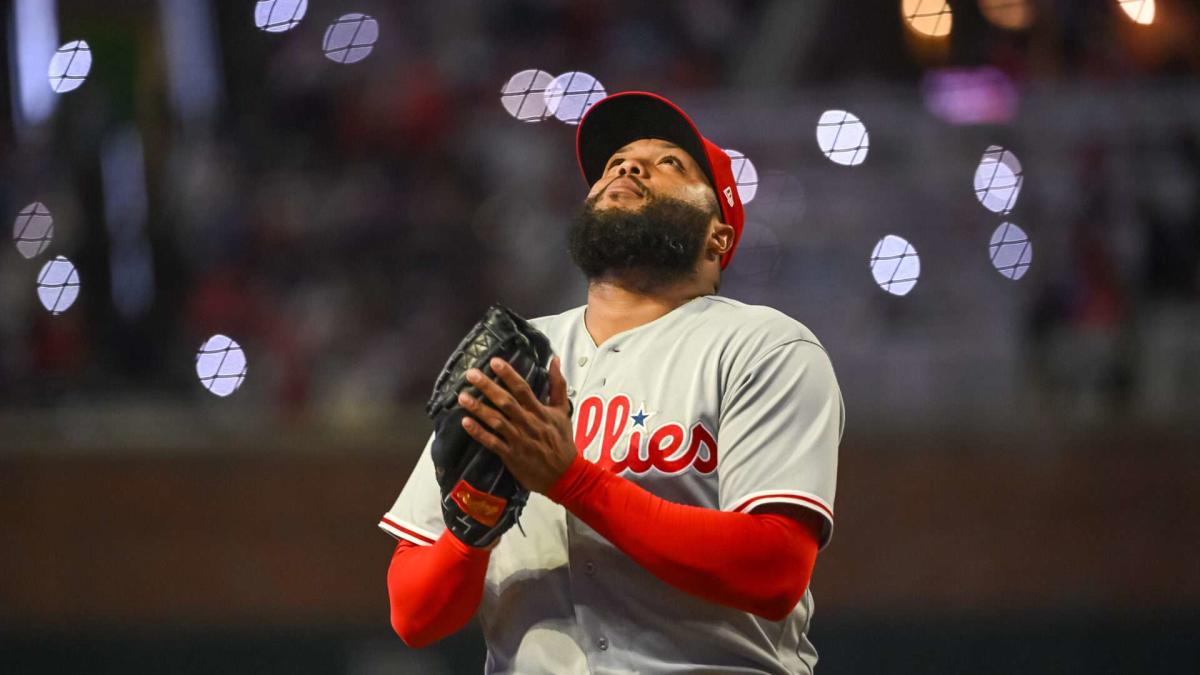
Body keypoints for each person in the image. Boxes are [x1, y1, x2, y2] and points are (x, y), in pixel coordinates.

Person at [378, 91, 844, 674]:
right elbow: (415, 616)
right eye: (615, 163)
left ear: (718, 237)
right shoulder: (513, 359)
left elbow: (774, 569)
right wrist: (476, 520)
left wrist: (571, 481)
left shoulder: (761, 345)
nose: (627, 167)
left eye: (670, 163)